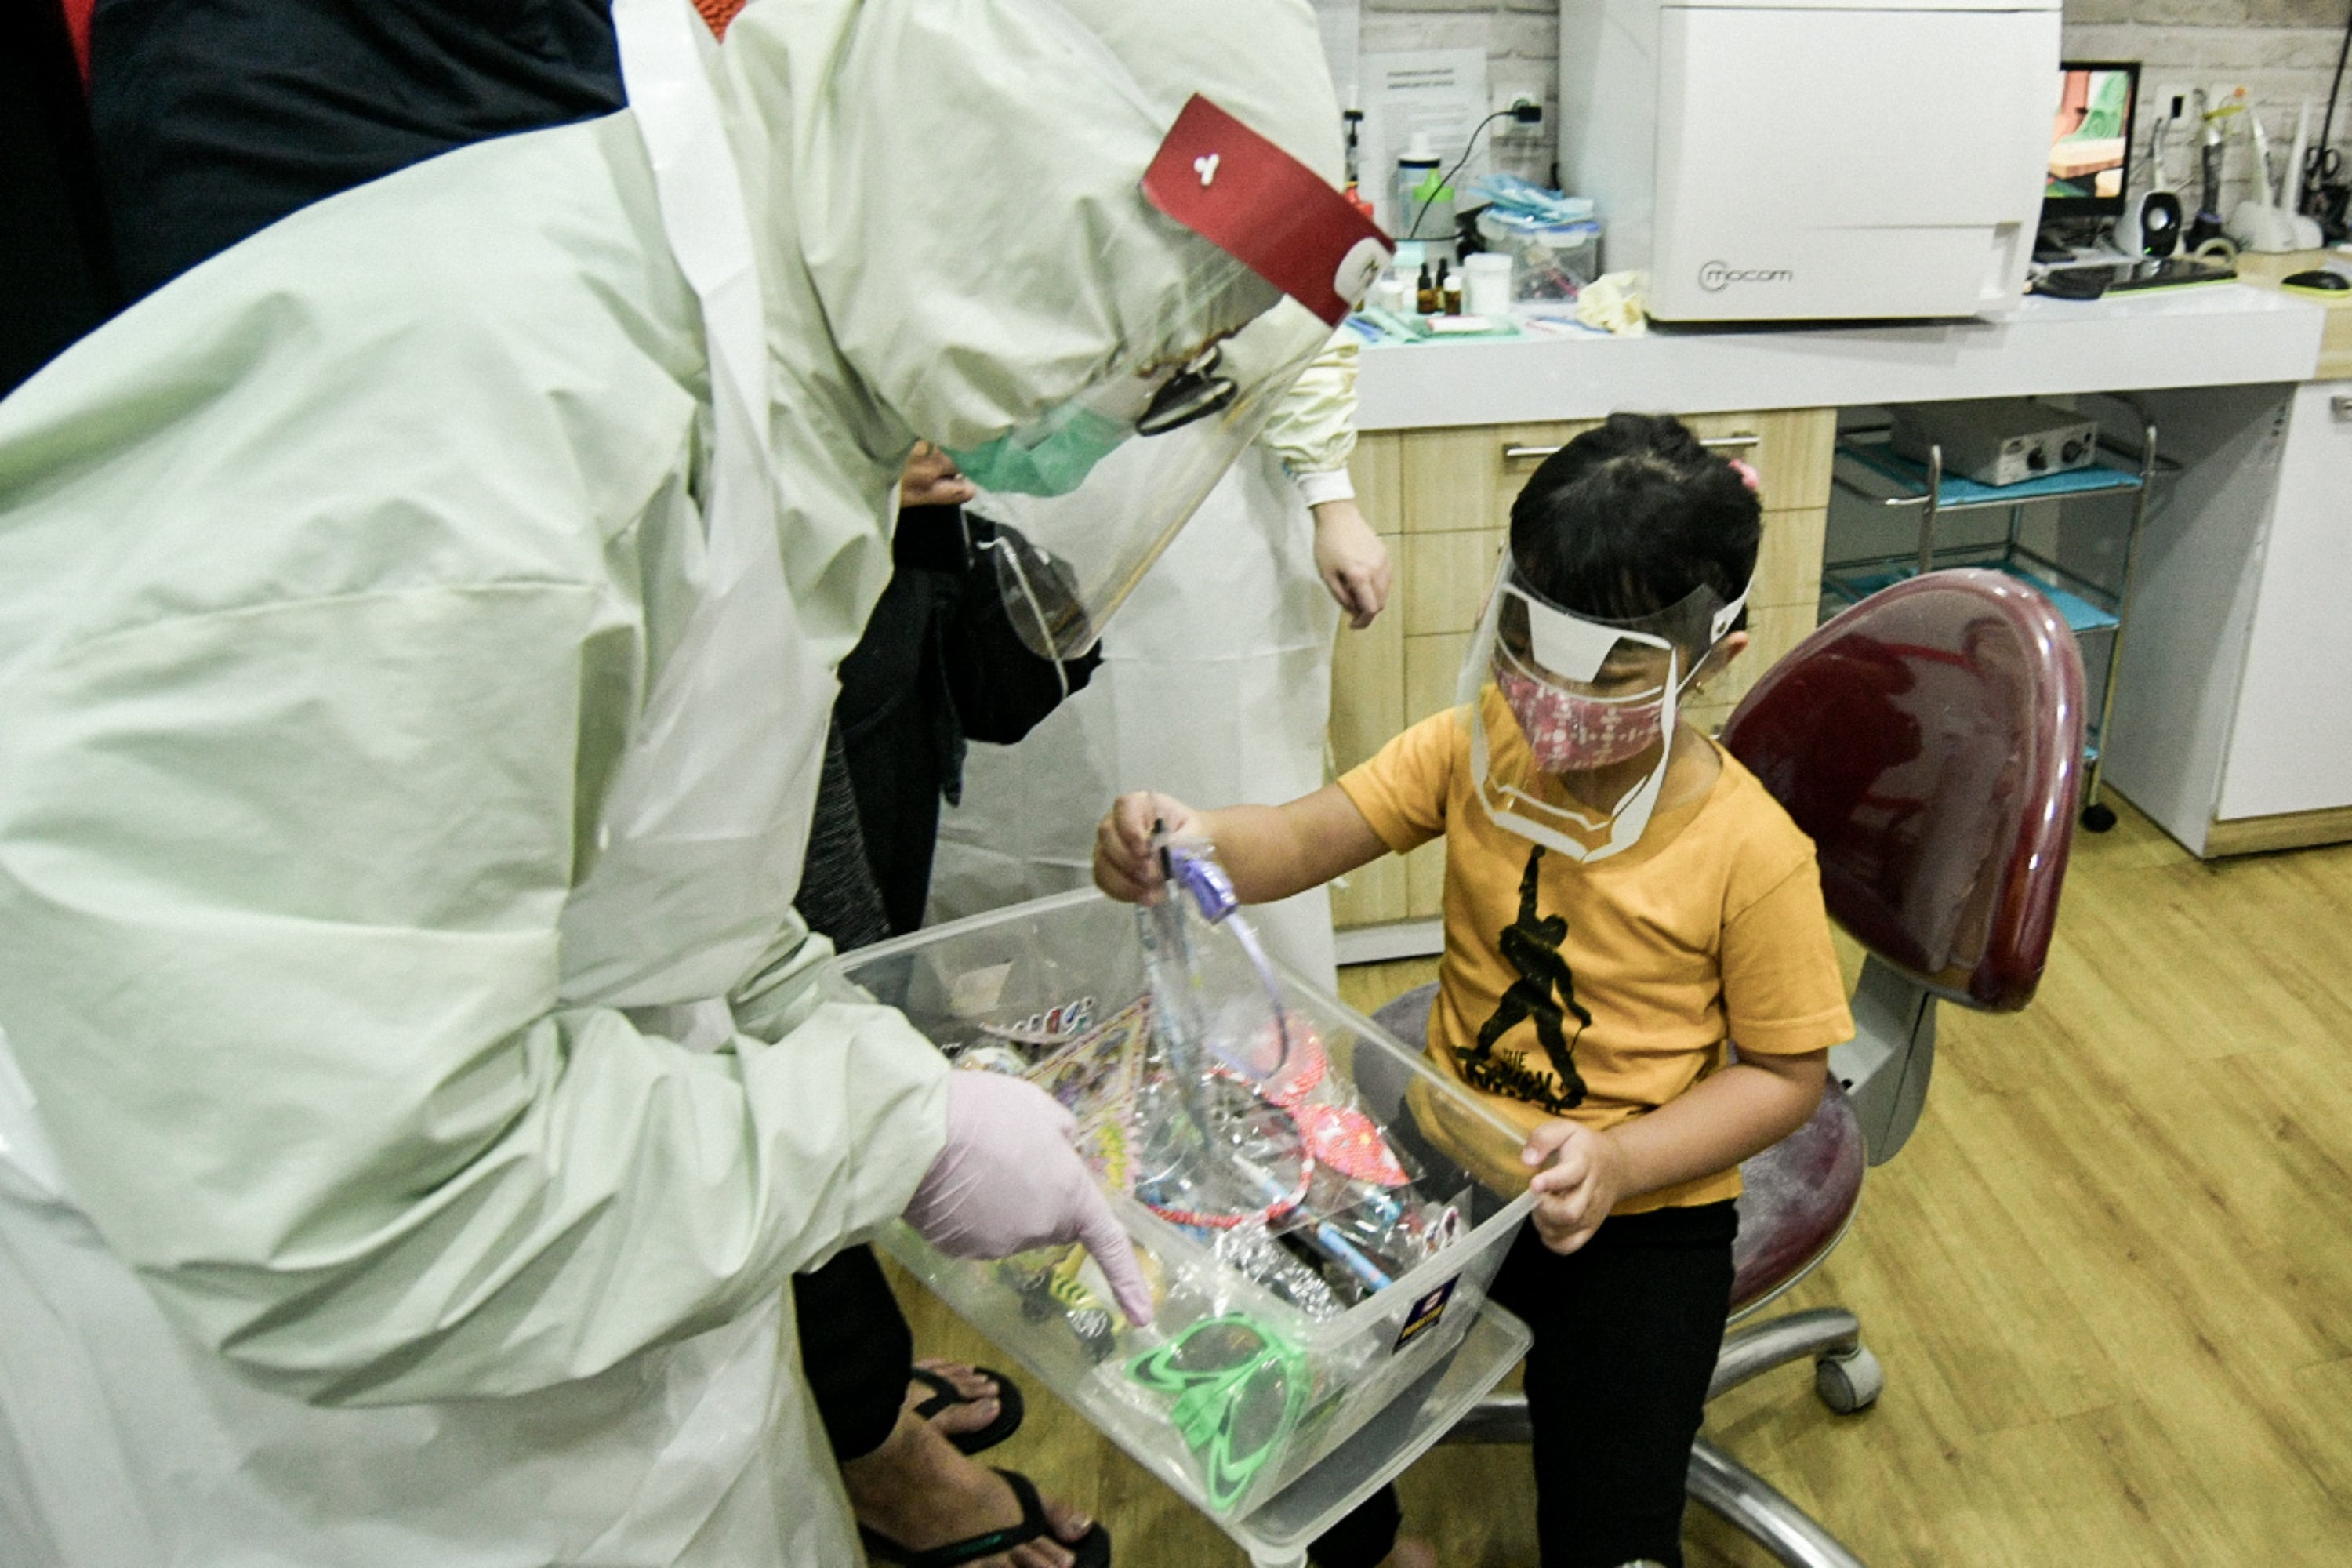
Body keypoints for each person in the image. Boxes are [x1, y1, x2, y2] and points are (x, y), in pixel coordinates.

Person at [0, 3, 1389, 1566]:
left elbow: (670, 882)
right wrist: (881, 1130)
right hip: (319, 1424)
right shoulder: (478, 414)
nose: (1131, 390)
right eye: (1154, 330)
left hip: (583, 1312)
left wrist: (855, 1043)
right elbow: (344, 1197)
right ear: (1005, 181)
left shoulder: (758, 380)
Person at [1092, 413, 1856, 1568]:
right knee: (1320, 1424)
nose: (1554, 695)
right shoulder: (1476, 744)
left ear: (1714, 657)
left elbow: (1788, 1075)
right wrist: (1191, 842)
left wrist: (1623, 1162)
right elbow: (1309, 836)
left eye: (1612, 667)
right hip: (1443, 1163)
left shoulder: (1752, 852)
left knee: (1611, 1517)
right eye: (1531, 644)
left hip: (1639, 1227)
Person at [933, 332, 1390, 987]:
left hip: (1205, 493)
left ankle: (1260, 1055)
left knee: (1223, 790)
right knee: (1015, 806)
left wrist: (1331, 496)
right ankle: (1024, 1046)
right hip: (1003, 495)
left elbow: (1300, 312)